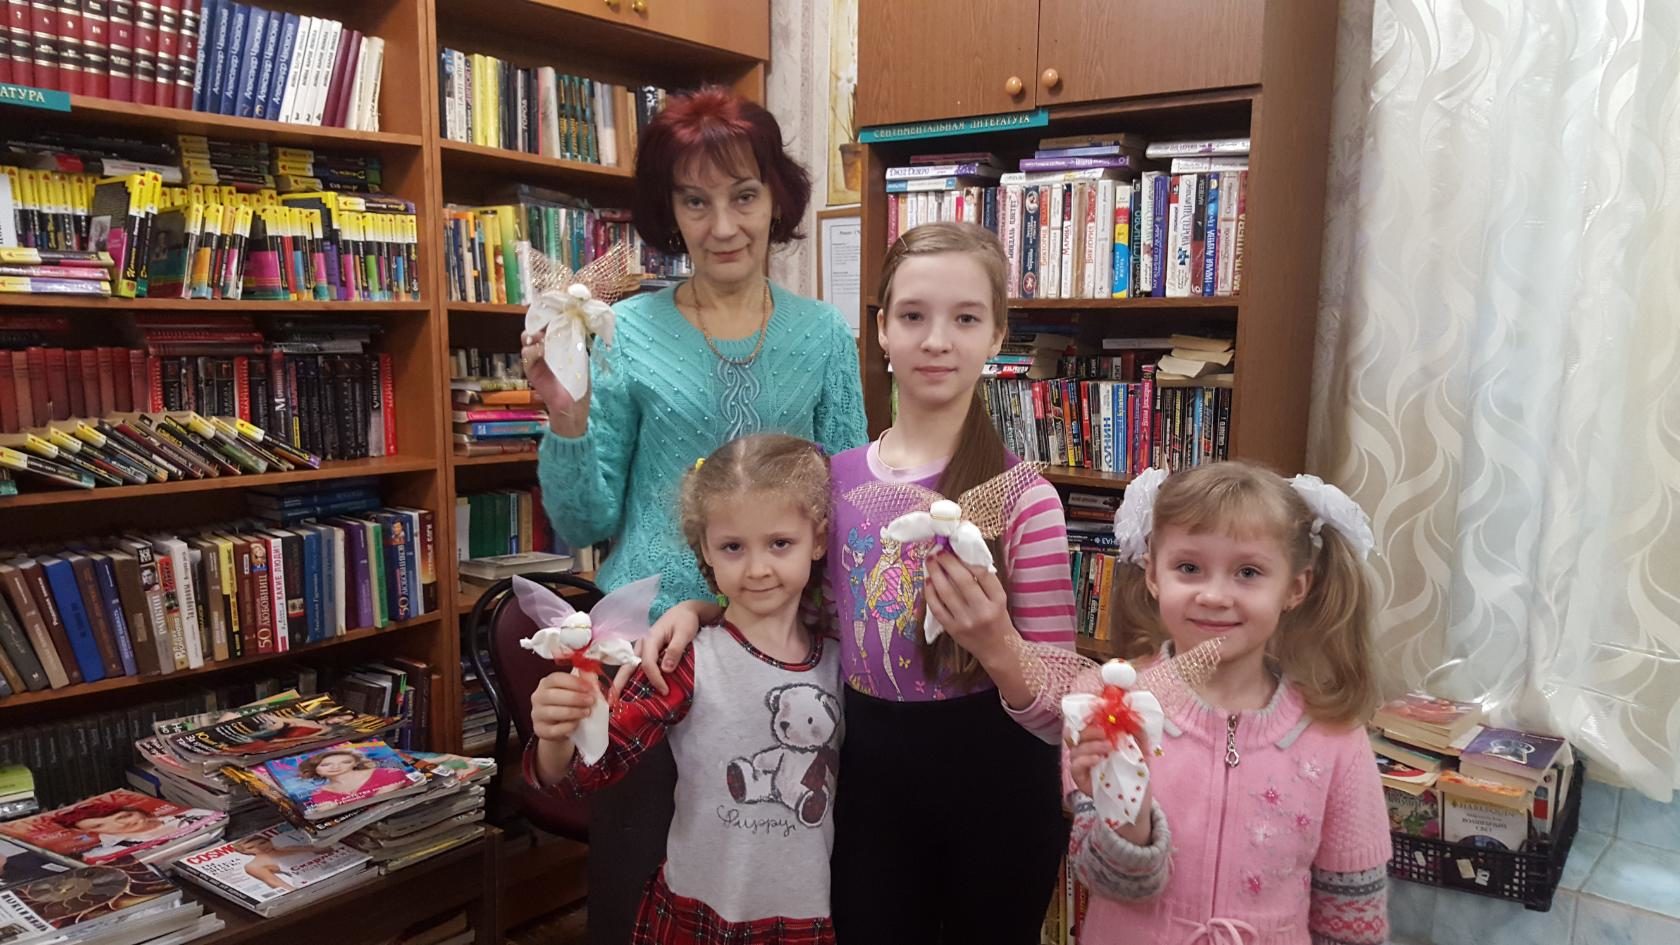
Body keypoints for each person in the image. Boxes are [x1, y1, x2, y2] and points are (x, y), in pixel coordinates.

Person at [641, 222, 1079, 943]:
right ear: (880, 330)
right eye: (913, 316)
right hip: (870, 781)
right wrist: (701, 609)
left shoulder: (1025, 499)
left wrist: (997, 645)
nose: (936, 340)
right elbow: (795, 619)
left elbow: (1063, 707)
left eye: (966, 318)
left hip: (999, 790)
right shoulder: (834, 482)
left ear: (997, 335)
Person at [518, 85, 867, 942]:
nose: (723, 226)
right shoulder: (624, 332)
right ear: (669, 211)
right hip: (646, 658)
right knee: (636, 888)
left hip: (782, 662)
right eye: (695, 201)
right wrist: (566, 418)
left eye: (744, 195)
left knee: (772, 886)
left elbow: (847, 514)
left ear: (776, 198)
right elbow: (583, 517)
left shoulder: (824, 337)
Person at [525, 434, 841, 944]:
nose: (758, 568)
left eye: (780, 543)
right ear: (706, 551)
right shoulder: (685, 661)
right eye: (733, 547)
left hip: (806, 918)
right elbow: (590, 768)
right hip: (699, 917)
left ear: (818, 540)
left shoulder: (841, 661)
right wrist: (556, 735)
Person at [1065, 462, 1391, 945]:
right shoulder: (1105, 705)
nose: (1214, 596)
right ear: (1152, 574)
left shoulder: (1334, 736)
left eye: (1248, 572)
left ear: (1294, 588)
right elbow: (1107, 882)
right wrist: (1127, 814)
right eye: (1189, 568)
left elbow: (1352, 918)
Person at [295, 747, 414, 809]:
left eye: (345, 762)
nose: (336, 767)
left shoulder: (389, 774)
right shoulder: (319, 795)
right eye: (325, 765)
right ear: (316, 770)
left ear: (355, 763)